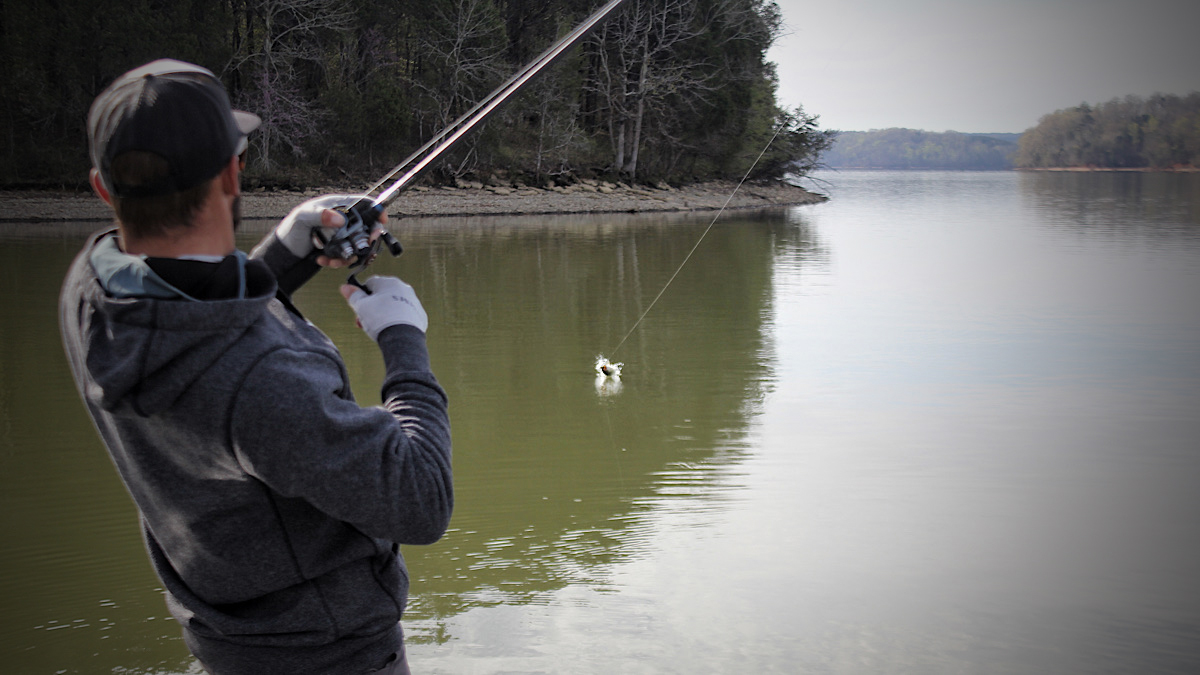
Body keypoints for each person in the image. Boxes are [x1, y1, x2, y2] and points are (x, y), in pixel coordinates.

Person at [58, 59, 452, 675]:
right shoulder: (264, 380)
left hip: (228, 646)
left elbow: (199, 323)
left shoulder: (91, 293)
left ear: (103, 188)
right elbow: (422, 500)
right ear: (232, 172)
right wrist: (403, 338)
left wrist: (286, 252)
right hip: (332, 657)